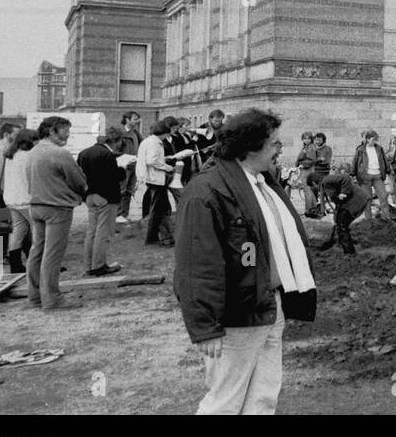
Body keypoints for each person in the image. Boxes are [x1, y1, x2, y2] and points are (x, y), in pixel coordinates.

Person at [175, 108, 317, 415]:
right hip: (236, 318)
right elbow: (197, 264)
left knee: (263, 398)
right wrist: (205, 326)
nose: (280, 149)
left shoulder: (262, 182)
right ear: (251, 147)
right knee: (225, 402)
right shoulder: (207, 190)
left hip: (268, 306)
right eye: (274, 143)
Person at [26, 117, 89, 311]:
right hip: (57, 208)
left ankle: (35, 295)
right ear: (53, 131)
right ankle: (52, 299)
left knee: (37, 251)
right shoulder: (60, 153)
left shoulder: (33, 151)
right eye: (65, 130)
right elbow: (78, 180)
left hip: (36, 205)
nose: (68, 134)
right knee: (53, 255)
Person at [77, 126, 125, 276]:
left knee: (91, 231)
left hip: (90, 196)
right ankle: (99, 265)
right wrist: (122, 169)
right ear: (115, 140)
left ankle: (89, 265)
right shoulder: (107, 155)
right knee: (103, 232)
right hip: (106, 197)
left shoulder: (83, 153)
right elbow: (114, 177)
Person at [138, 119, 184, 247]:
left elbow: (152, 159)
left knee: (159, 209)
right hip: (156, 179)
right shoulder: (155, 143)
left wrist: (164, 159)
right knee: (160, 210)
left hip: (152, 179)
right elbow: (151, 160)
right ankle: (157, 238)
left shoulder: (149, 141)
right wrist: (167, 167)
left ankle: (158, 237)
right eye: (167, 134)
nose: (168, 136)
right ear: (163, 133)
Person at [2, 128, 38, 273]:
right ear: (28, 141)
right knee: (38, 232)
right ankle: (38, 264)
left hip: (11, 198)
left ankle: (15, 265)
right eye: (35, 140)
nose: (38, 142)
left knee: (18, 231)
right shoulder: (29, 156)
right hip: (26, 199)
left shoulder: (11, 155)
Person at [316, 162, 371, 254]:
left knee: (342, 225)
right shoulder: (328, 182)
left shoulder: (329, 180)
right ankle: (344, 243)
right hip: (356, 200)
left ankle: (349, 252)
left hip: (356, 201)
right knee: (341, 223)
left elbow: (345, 181)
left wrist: (343, 194)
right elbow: (336, 200)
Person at [352, 130, 391, 220]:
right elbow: (355, 161)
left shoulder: (379, 148)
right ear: (367, 139)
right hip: (365, 176)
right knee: (367, 199)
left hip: (378, 176)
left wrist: (387, 169)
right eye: (373, 139)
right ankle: (368, 219)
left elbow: (384, 159)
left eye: (376, 139)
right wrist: (353, 173)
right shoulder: (360, 149)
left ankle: (386, 218)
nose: (375, 141)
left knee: (383, 197)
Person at [116, 111, 142, 222]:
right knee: (121, 190)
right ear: (127, 119)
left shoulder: (136, 133)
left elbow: (142, 146)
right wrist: (125, 158)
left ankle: (124, 214)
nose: (137, 121)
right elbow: (114, 150)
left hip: (134, 166)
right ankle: (117, 215)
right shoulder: (118, 133)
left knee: (129, 191)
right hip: (123, 168)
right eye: (135, 119)